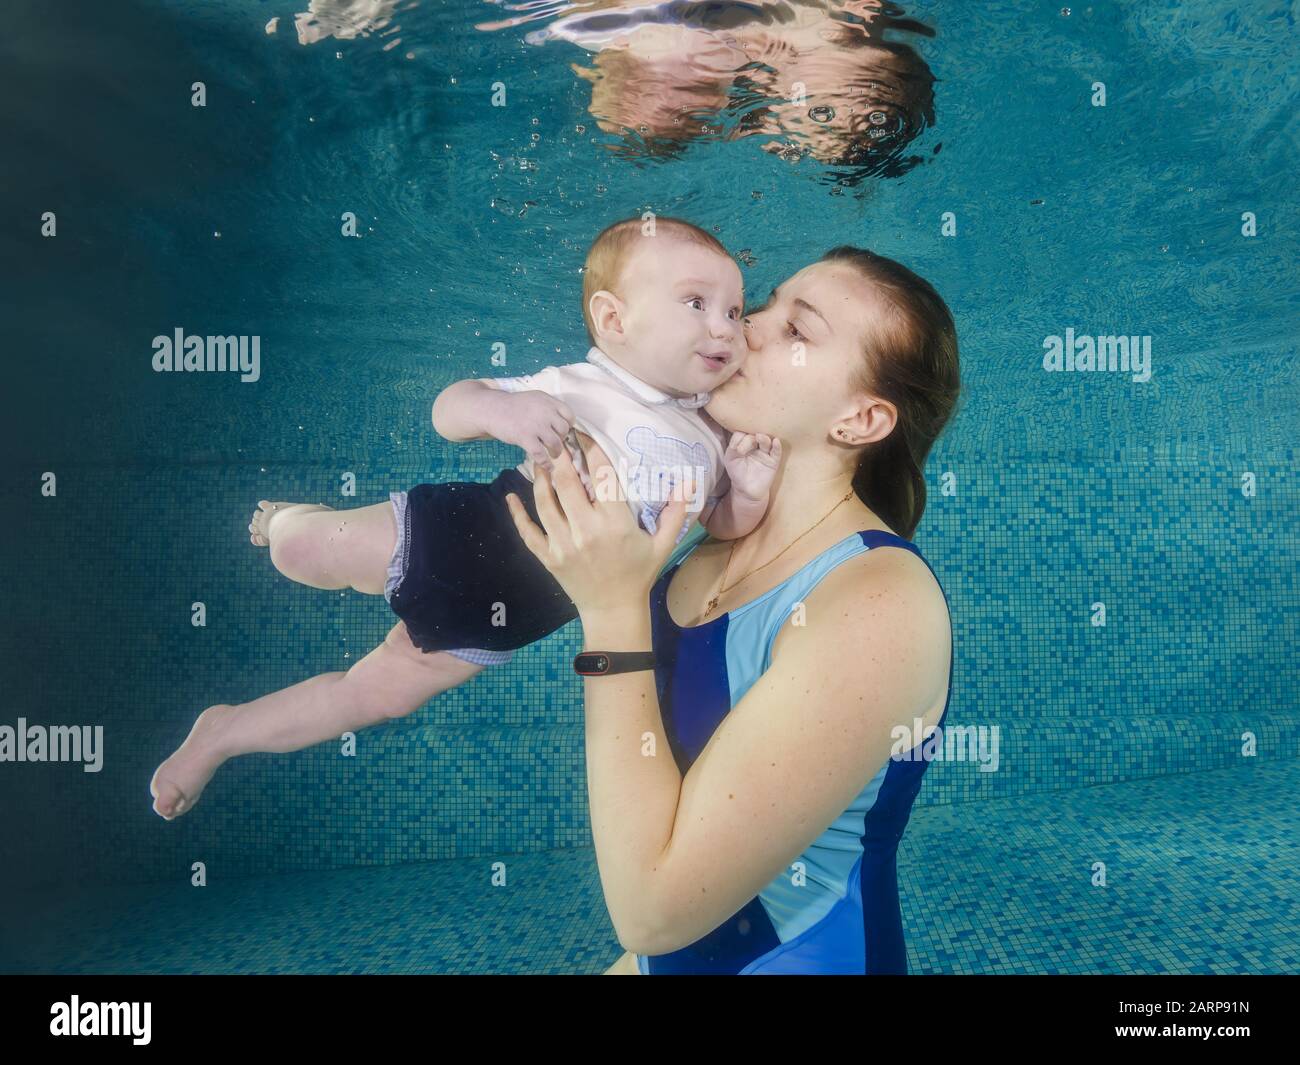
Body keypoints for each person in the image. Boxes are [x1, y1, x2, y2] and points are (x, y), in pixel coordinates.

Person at [148, 216, 782, 821]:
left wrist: (747, 496)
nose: (726, 328)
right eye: (696, 303)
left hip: (505, 621)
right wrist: (502, 412)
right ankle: (295, 517)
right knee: (302, 553)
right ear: (613, 319)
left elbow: (719, 525)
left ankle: (222, 734)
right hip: (454, 536)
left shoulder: (717, 440)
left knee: (373, 697)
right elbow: (450, 410)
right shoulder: (583, 385)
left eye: (734, 311)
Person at [506, 245, 960, 973]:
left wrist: (615, 608)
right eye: (768, 303)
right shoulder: (704, 546)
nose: (745, 325)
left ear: (861, 417)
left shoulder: (878, 600)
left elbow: (654, 909)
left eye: (795, 331)